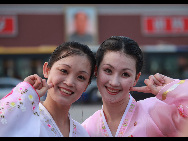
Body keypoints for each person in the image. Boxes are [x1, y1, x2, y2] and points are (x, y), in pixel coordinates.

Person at [82, 36, 188, 137]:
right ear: (96, 71)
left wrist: (171, 88)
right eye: (108, 71)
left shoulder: (155, 112)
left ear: (136, 79)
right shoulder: (86, 129)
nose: (114, 82)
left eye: (125, 74)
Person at [0, 41, 96, 137]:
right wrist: (24, 93)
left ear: (86, 86)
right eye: (64, 71)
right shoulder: (24, 119)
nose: (69, 82)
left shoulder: (81, 133)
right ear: (46, 70)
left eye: (81, 77)